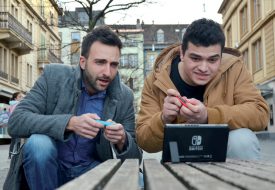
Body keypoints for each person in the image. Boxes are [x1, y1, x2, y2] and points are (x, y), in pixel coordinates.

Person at [7, 26, 142, 189]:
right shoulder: (54, 77)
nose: (107, 72)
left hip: (92, 172)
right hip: (49, 171)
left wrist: (122, 140)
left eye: (113, 64)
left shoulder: (124, 96)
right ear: (83, 62)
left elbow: (136, 159)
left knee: (139, 181)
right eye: (100, 62)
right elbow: (16, 122)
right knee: (38, 144)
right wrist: (70, 123)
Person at [136, 18, 269, 160]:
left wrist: (208, 116)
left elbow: (260, 113)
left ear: (221, 56)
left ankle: (241, 183)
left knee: (243, 140)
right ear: (182, 53)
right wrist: (163, 119)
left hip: (223, 149)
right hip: (175, 152)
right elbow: (144, 141)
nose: (203, 68)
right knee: (152, 158)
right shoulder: (156, 79)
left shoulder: (234, 68)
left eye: (212, 60)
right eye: (195, 58)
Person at [8, 92, 24, 159]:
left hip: (11, 124)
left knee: (13, 140)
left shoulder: (11, 105)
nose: (22, 98)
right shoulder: (18, 104)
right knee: (18, 140)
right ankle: (16, 155)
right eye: (20, 96)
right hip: (17, 124)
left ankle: (10, 154)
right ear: (15, 98)